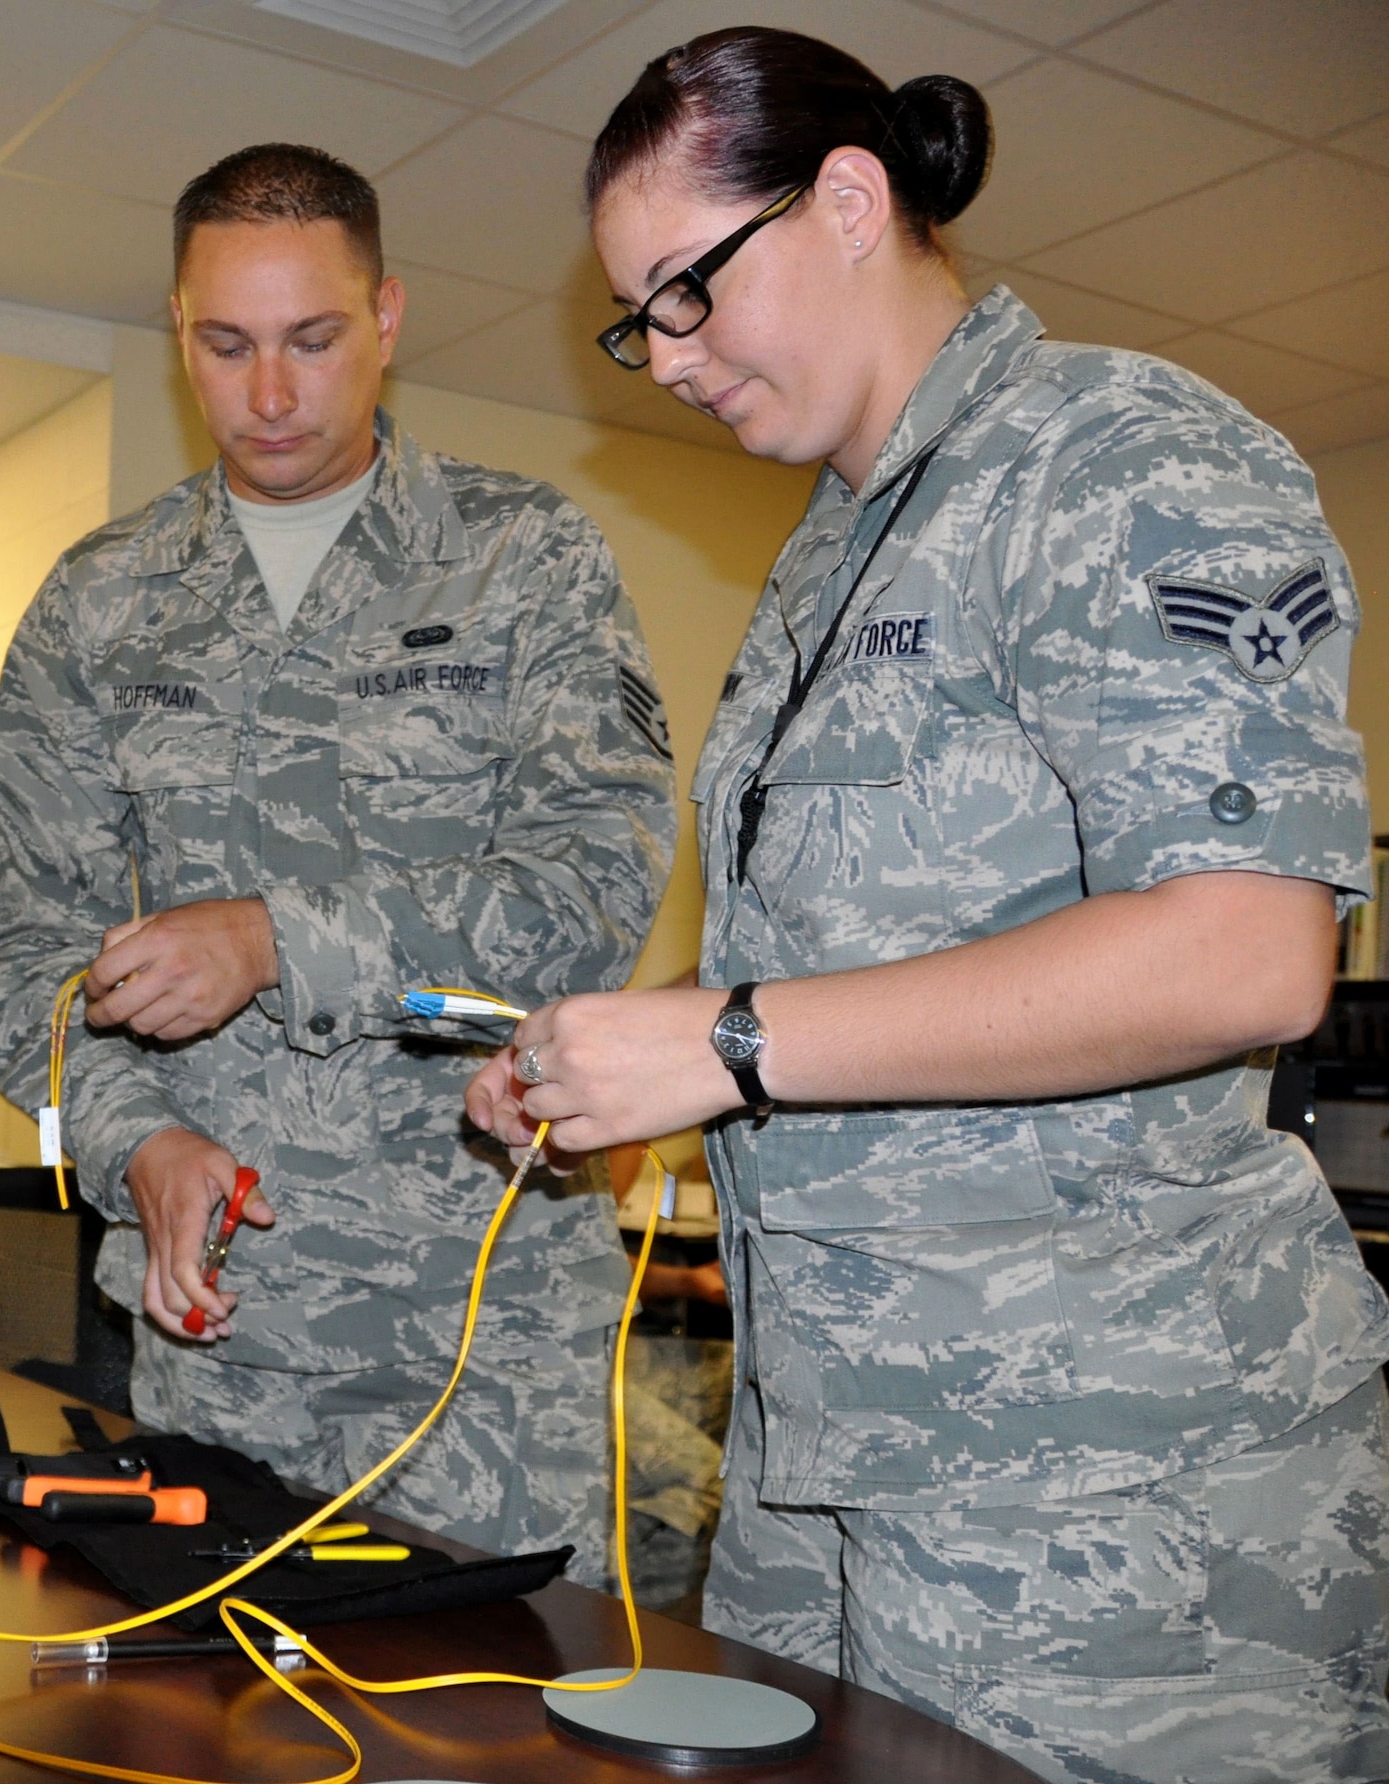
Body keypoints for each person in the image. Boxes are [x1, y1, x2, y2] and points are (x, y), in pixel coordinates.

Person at [467, 27, 1389, 1784]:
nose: (663, 356)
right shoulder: (838, 547)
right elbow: (850, 953)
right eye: (631, 317)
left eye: (685, 293)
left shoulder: (1111, 457)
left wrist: (725, 1044)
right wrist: (627, 1056)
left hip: (1115, 1499)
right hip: (836, 1458)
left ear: (847, 202)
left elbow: (1250, 948)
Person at [0, 143, 677, 1578]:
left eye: (314, 339)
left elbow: (588, 895)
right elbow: (28, 959)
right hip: (212, 1342)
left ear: (389, 319)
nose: (272, 395)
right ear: (179, 331)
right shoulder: (99, 607)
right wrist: (138, 1143)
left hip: (484, 1344)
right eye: (227, 346)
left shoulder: (523, 561)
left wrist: (276, 940)